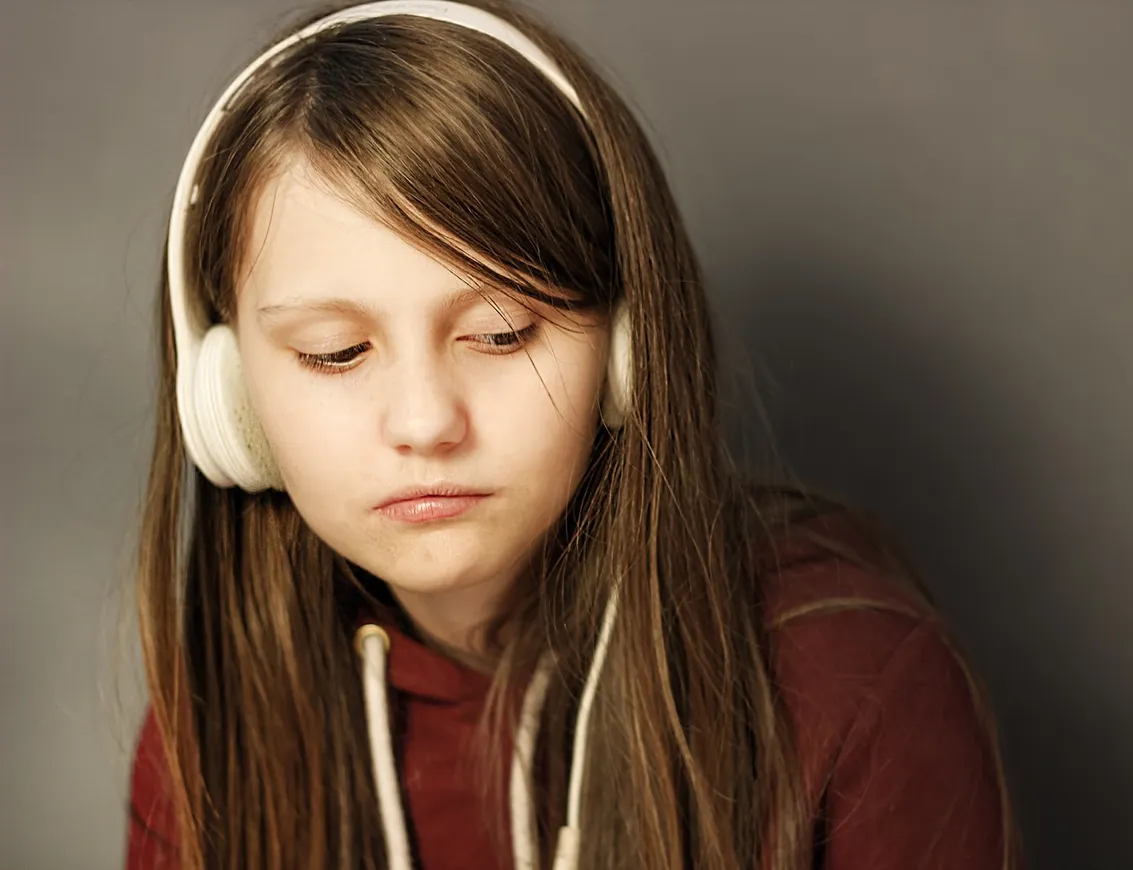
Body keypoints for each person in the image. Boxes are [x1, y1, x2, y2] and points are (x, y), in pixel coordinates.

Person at [126, 1, 1020, 868]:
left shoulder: (855, 683)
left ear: (626, 354)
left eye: (502, 332)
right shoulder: (212, 738)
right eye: (337, 352)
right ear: (231, 398)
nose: (426, 421)